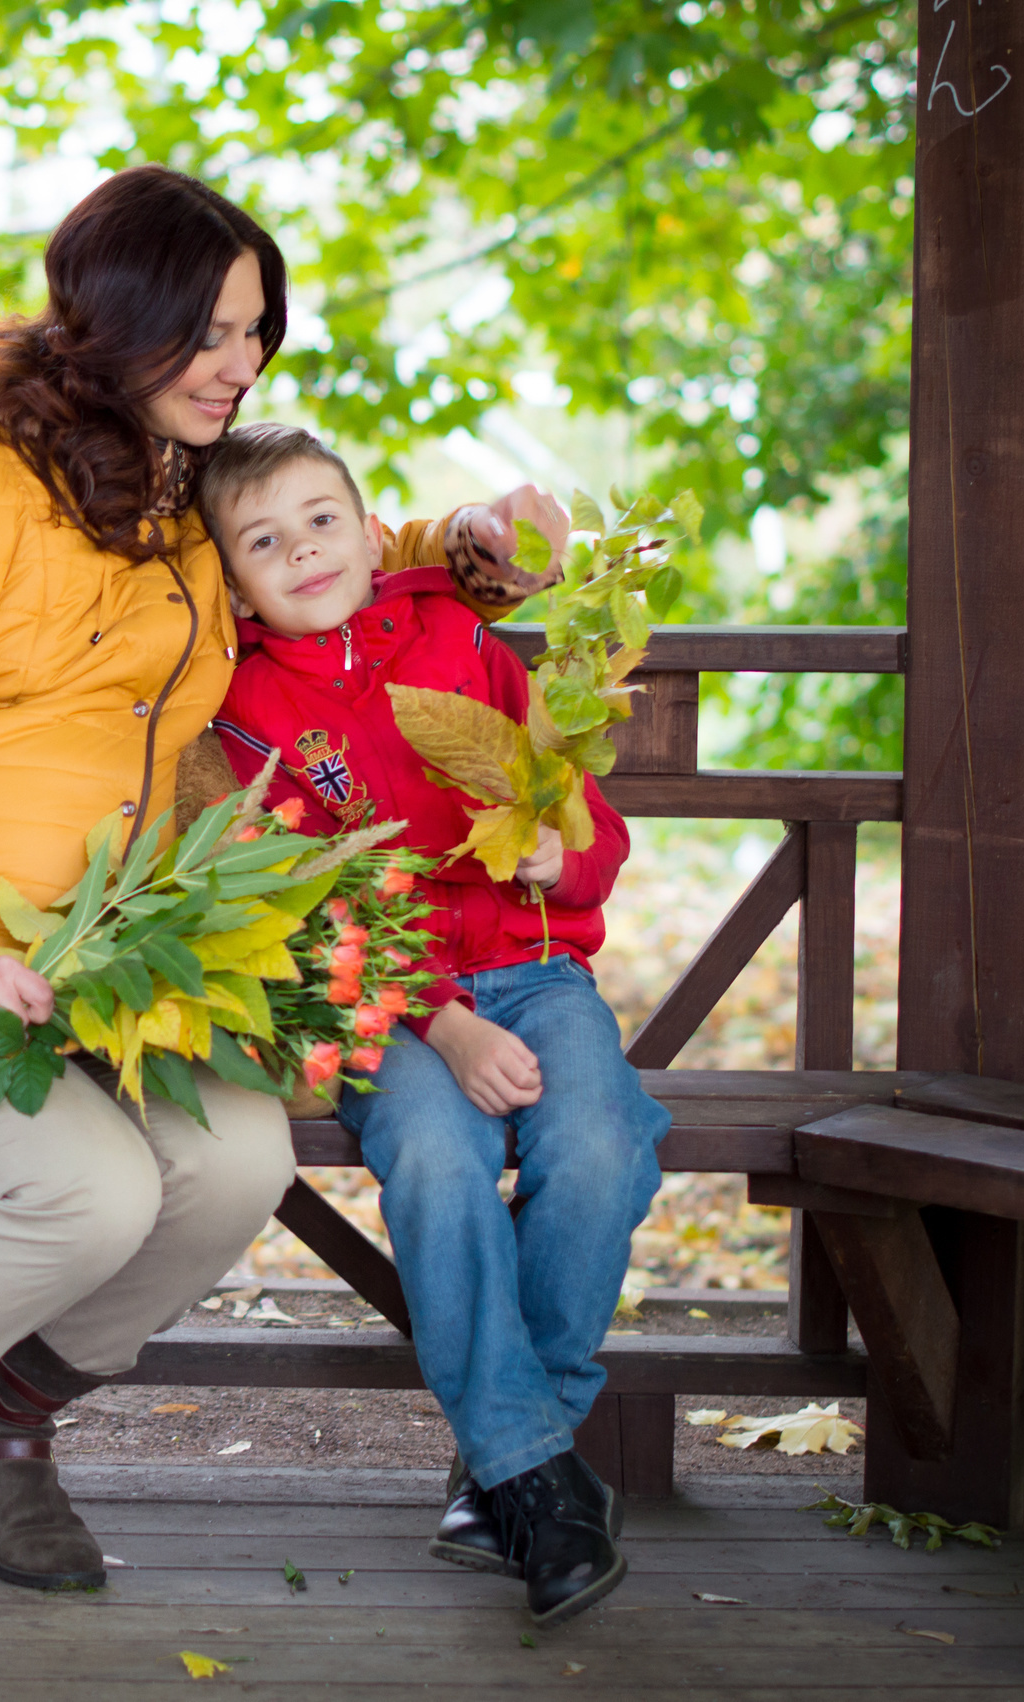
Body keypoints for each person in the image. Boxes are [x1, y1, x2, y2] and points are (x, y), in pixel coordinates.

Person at [0, 167, 557, 1628]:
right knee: (86, 1187)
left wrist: (467, 546)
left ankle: (1, 1423)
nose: (244, 363)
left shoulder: (176, 502)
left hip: (108, 959)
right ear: (115, 323)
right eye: (214, 330)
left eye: (257, 331)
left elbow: (324, 548)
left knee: (234, 1167)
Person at [193, 421, 670, 1627]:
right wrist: (445, 1025)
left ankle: (512, 1462)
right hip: (385, 1007)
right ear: (231, 576)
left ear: (366, 526)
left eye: (321, 520)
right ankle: (539, 1479)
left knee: (602, 1139)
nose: (302, 551)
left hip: (537, 965)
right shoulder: (242, 704)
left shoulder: (456, 636)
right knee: (442, 1157)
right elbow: (311, 903)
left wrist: (568, 860)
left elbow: (583, 818)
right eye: (262, 540)